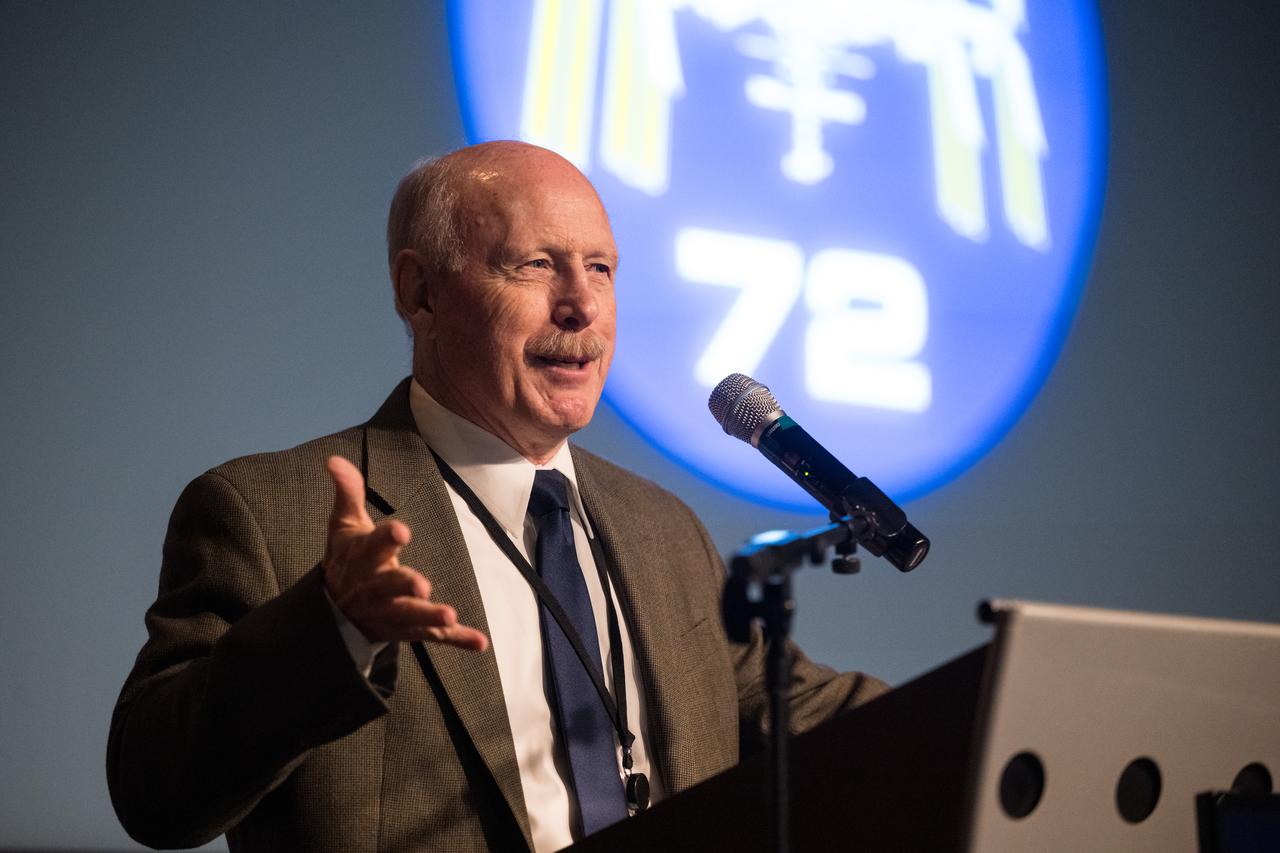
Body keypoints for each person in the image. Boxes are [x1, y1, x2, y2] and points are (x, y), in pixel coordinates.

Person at [107, 141, 888, 852]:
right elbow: (155, 793)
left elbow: (805, 708)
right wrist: (334, 627)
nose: (581, 305)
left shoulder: (662, 530)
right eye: (536, 266)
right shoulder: (266, 511)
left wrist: (1004, 690)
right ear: (421, 294)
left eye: (601, 268)